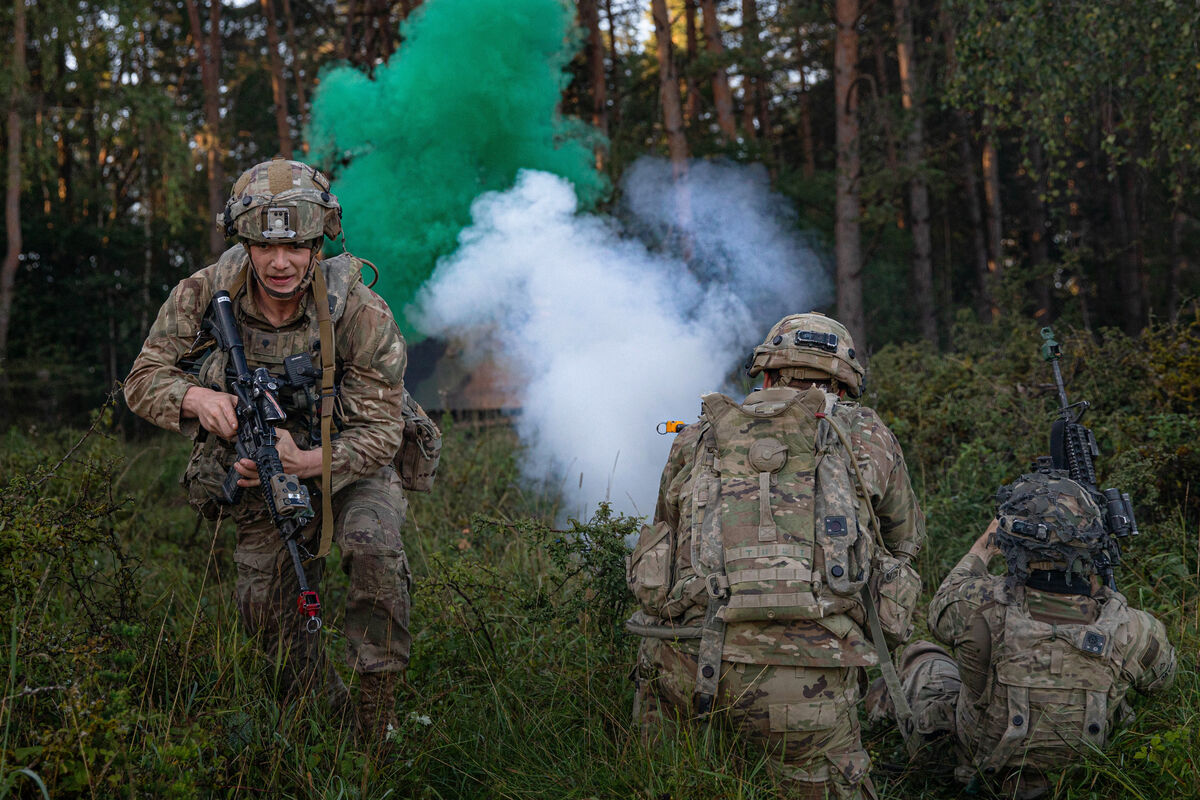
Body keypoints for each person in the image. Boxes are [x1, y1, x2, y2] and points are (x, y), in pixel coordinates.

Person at [125, 157, 412, 739]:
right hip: (259, 468)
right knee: (263, 611)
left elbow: (383, 432)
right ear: (244, 242)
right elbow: (141, 379)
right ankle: (327, 721)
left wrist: (306, 463)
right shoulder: (207, 291)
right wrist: (196, 399)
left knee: (374, 552)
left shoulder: (358, 309)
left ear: (318, 241)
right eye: (264, 247)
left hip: (351, 460)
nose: (280, 263)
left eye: (297, 247)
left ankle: (378, 729)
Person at [626, 312, 925, 799]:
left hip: (684, 666)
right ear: (843, 383)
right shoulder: (869, 435)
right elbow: (905, 542)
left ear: (765, 373)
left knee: (675, 784)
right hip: (809, 687)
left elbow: (667, 533)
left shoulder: (695, 435)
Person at [871, 471, 1176, 798]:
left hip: (979, 765)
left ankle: (877, 713)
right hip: (1080, 775)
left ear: (1013, 541)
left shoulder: (979, 605)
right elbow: (1162, 682)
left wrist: (984, 547)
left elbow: (939, 610)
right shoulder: (1134, 627)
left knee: (922, 654)